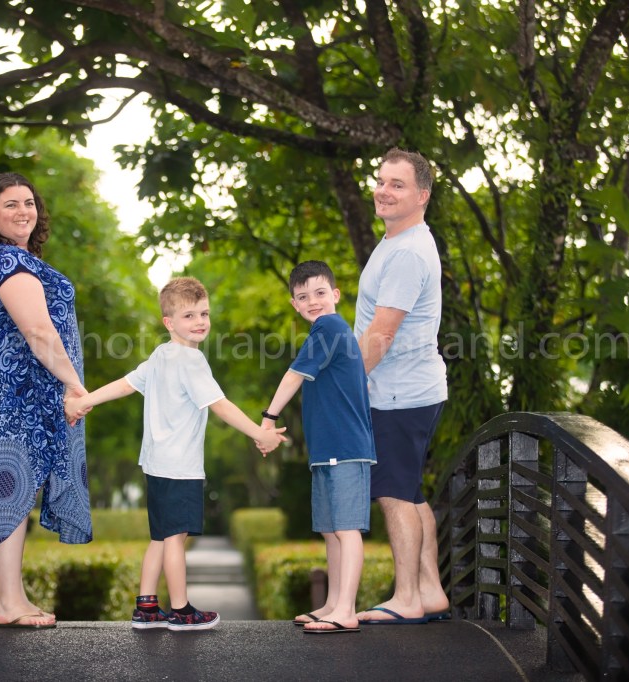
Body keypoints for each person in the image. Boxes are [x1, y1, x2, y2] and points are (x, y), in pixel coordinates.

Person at [65, 277, 287, 631]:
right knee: (175, 538)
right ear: (168, 322)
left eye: (204, 313)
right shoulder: (191, 361)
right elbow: (220, 406)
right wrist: (259, 433)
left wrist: (83, 401)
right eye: (189, 316)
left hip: (155, 464)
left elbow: (125, 384)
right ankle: (181, 610)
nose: (200, 321)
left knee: (161, 535)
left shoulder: (160, 355)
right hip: (179, 467)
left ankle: (147, 607)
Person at [0, 172, 93, 630]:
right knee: (9, 490)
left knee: (16, 493)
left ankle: (12, 597)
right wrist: (76, 385)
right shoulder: (4, 261)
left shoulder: (10, 260)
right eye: (10, 204)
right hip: (12, 399)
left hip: (20, 398)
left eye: (28, 203)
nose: (23, 211)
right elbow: (37, 331)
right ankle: (8, 601)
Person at [353, 148, 449, 624]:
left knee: (393, 493)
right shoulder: (396, 241)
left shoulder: (409, 251)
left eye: (397, 184)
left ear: (422, 196)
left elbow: (382, 333)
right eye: (381, 180)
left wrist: (347, 386)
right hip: (407, 389)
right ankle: (429, 591)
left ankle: (407, 598)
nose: (384, 190)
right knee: (410, 492)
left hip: (398, 393)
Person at [259, 260, 376, 634]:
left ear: (336, 295)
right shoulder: (326, 332)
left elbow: (293, 375)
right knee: (331, 529)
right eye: (303, 296)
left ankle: (346, 609)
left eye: (320, 293)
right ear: (295, 304)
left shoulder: (330, 326)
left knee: (346, 528)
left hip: (346, 446)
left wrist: (267, 418)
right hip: (328, 448)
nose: (313, 301)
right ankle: (331, 603)